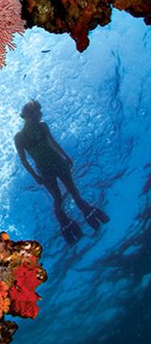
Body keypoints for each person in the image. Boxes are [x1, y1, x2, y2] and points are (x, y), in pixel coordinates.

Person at [14, 100, 109, 244]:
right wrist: (35, 176)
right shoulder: (19, 138)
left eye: (39, 112)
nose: (40, 115)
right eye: (36, 113)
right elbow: (24, 160)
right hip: (45, 171)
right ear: (26, 116)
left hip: (59, 163)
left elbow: (53, 143)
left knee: (73, 191)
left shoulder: (43, 127)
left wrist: (66, 156)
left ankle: (86, 209)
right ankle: (64, 221)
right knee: (57, 198)